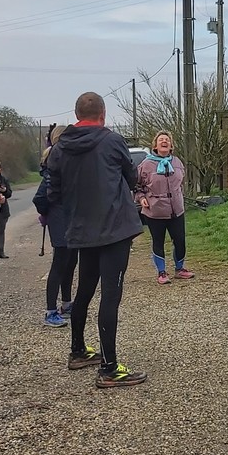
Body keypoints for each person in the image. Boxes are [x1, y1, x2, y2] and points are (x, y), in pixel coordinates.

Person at [47, 91, 146, 388]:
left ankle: (78, 351)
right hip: (114, 228)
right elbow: (131, 177)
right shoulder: (112, 141)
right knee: (110, 296)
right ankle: (109, 368)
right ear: (103, 114)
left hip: (81, 230)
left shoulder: (59, 150)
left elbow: (53, 193)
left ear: (76, 115)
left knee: (85, 290)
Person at [135, 131, 195, 285]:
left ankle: (180, 269)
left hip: (176, 210)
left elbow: (181, 183)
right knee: (158, 241)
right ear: (155, 145)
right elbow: (136, 186)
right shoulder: (146, 165)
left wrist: (179, 196)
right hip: (155, 211)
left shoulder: (177, 162)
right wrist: (141, 198)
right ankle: (161, 272)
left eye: (167, 140)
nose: (164, 141)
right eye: (161, 139)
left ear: (171, 145)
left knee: (180, 240)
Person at [33, 126, 76, 328]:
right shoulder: (54, 162)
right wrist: (48, 214)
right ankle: (50, 311)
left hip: (71, 219)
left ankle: (66, 304)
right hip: (60, 220)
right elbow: (40, 197)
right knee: (59, 264)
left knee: (71, 262)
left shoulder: (67, 160)